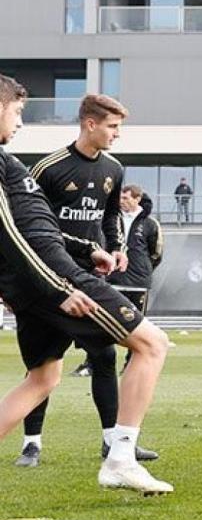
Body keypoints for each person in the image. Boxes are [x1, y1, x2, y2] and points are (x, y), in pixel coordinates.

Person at [0, 73, 172, 494]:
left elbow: (37, 227)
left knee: (43, 378)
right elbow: (12, 237)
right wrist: (60, 287)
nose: (20, 123)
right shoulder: (30, 165)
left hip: (50, 276)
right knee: (152, 344)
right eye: (17, 112)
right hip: (57, 279)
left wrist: (90, 248)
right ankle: (120, 458)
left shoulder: (7, 161)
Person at [107, 185, 163, 368]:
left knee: (138, 325)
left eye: (126, 198)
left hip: (138, 283)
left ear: (137, 199)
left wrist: (143, 269)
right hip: (112, 280)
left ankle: (131, 365)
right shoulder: (111, 219)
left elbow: (156, 253)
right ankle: (94, 364)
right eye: (120, 198)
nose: (121, 202)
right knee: (104, 323)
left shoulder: (150, 223)